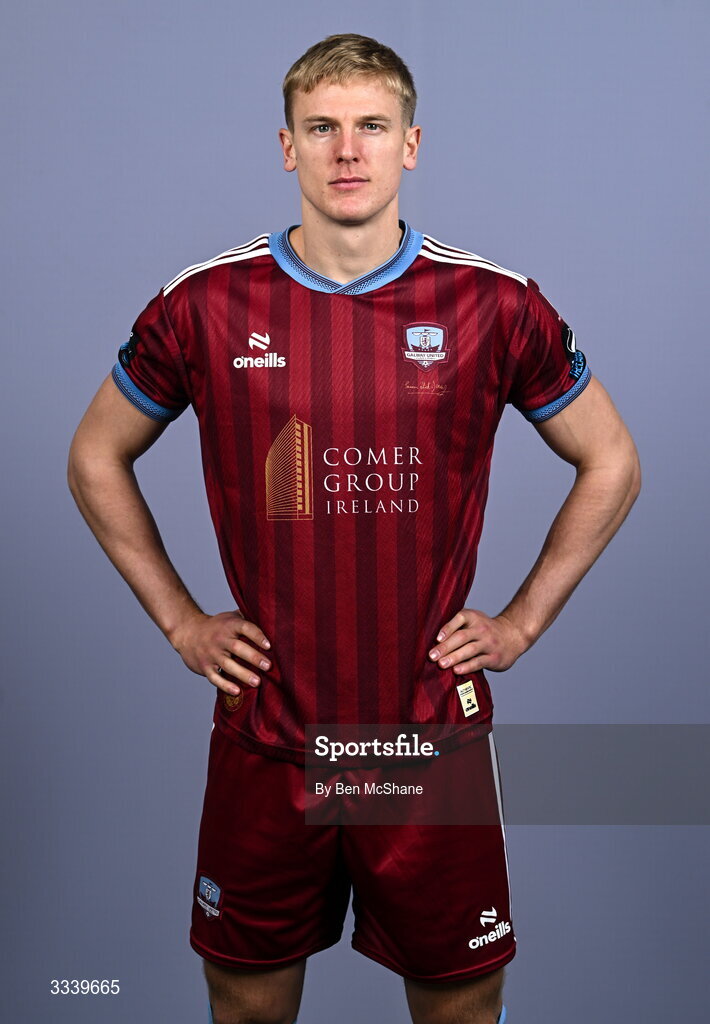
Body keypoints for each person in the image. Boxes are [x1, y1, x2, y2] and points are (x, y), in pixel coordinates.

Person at [67, 32, 641, 1024]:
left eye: (369, 127)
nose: (347, 150)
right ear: (286, 146)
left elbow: (612, 460)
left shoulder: (492, 304)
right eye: (322, 128)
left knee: (460, 1009)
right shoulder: (204, 304)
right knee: (246, 1007)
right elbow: (93, 455)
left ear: (408, 144)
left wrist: (521, 620)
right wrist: (178, 620)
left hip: (423, 744)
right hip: (269, 737)